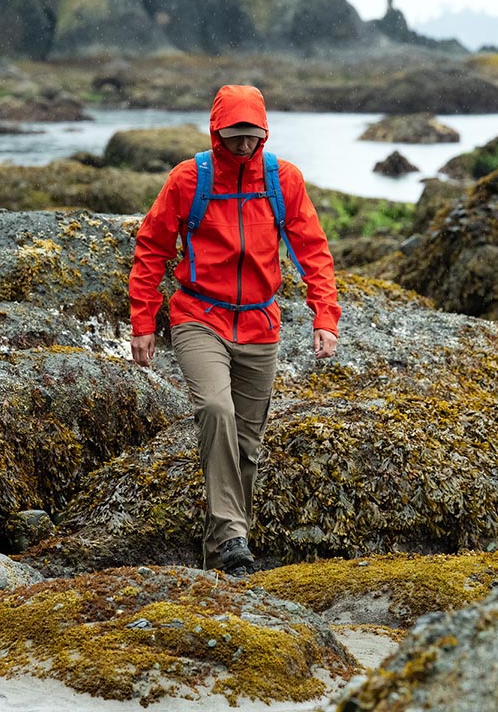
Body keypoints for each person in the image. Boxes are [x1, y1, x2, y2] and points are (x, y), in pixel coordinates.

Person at [128, 84, 340, 577]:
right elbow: (151, 248)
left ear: (264, 133)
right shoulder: (188, 179)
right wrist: (143, 322)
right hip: (198, 318)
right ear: (216, 131)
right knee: (214, 409)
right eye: (234, 136)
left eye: (251, 136)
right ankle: (233, 535)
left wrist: (324, 316)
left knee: (247, 447)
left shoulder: (283, 180)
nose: (242, 145)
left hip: (261, 326)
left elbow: (313, 250)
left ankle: (219, 561)